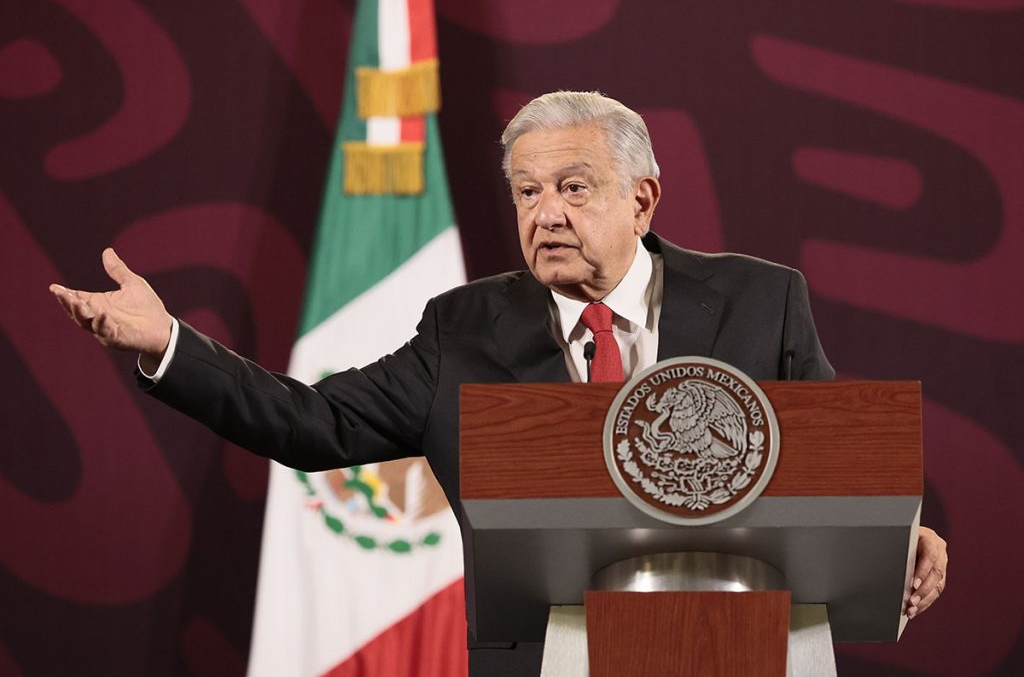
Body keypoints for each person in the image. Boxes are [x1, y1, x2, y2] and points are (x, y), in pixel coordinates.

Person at [50, 91, 946, 673]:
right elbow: (309, 422)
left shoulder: (762, 301)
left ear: (642, 198)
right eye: (525, 191)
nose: (544, 213)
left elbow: (836, 467)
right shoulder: (465, 329)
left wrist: (903, 534)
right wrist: (169, 343)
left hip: (742, 654)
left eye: (573, 187)